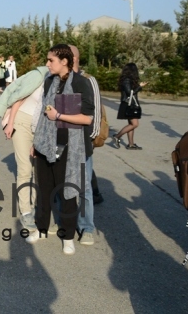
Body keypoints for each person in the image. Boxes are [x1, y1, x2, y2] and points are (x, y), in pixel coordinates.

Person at [27, 44, 94, 256]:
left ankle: (67, 237)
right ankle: (41, 229)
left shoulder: (82, 82)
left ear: (64, 61)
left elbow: (87, 118)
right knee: (44, 190)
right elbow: (42, 113)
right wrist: (35, 141)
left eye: (51, 61)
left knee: (67, 193)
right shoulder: (49, 82)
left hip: (69, 146)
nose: (47, 64)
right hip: (46, 143)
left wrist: (59, 116)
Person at [0, 65, 49, 232]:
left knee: (37, 168)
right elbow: (19, 98)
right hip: (22, 122)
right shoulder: (38, 77)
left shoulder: (61, 81)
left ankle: (36, 204)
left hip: (41, 127)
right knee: (25, 168)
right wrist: (10, 123)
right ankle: (26, 211)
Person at [70, 45, 101, 246]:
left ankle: (86, 227)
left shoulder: (88, 80)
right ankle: (65, 220)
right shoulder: (56, 80)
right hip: (63, 143)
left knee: (84, 186)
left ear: (73, 58)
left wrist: (91, 138)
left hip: (82, 142)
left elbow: (95, 112)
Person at [113, 63, 147, 150]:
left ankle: (131, 144)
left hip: (129, 104)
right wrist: (140, 86)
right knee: (135, 124)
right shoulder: (126, 80)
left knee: (131, 124)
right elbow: (130, 92)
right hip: (128, 104)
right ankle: (117, 136)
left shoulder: (127, 79)